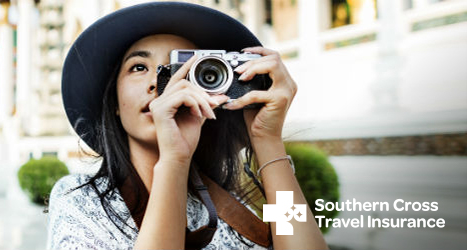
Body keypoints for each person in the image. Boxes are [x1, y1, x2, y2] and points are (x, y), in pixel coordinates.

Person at [47, 2, 328, 249]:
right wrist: (174, 161)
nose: (159, 84)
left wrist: (267, 140)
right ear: (115, 105)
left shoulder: (231, 212)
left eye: (183, 68)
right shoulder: (78, 198)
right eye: (139, 67)